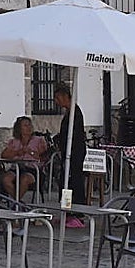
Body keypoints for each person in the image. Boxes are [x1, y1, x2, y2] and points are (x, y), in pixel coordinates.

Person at [53, 83, 86, 228]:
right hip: (68, 152)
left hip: (75, 153)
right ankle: (67, 211)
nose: (56, 101)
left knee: (74, 182)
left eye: (57, 97)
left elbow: (74, 135)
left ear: (65, 96)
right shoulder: (68, 112)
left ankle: (77, 214)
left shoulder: (75, 113)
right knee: (65, 182)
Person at [0, 116, 48, 200]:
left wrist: (30, 152)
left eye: (30, 125)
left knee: (24, 178)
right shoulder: (14, 141)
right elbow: (4, 155)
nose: (29, 127)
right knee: (6, 179)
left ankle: (16, 203)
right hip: (16, 168)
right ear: (19, 128)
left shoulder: (39, 140)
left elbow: (43, 157)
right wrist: (17, 152)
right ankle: (17, 202)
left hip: (33, 170)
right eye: (25, 125)